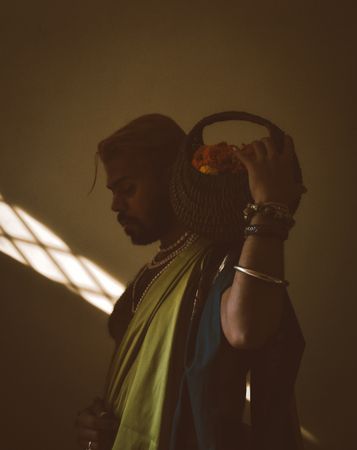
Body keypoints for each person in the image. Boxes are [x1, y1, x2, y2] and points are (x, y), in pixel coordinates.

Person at [74, 113, 306, 450]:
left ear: (172, 178)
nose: (115, 205)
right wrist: (98, 424)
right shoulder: (149, 276)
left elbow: (244, 330)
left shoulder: (221, 261)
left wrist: (268, 208)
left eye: (127, 189)